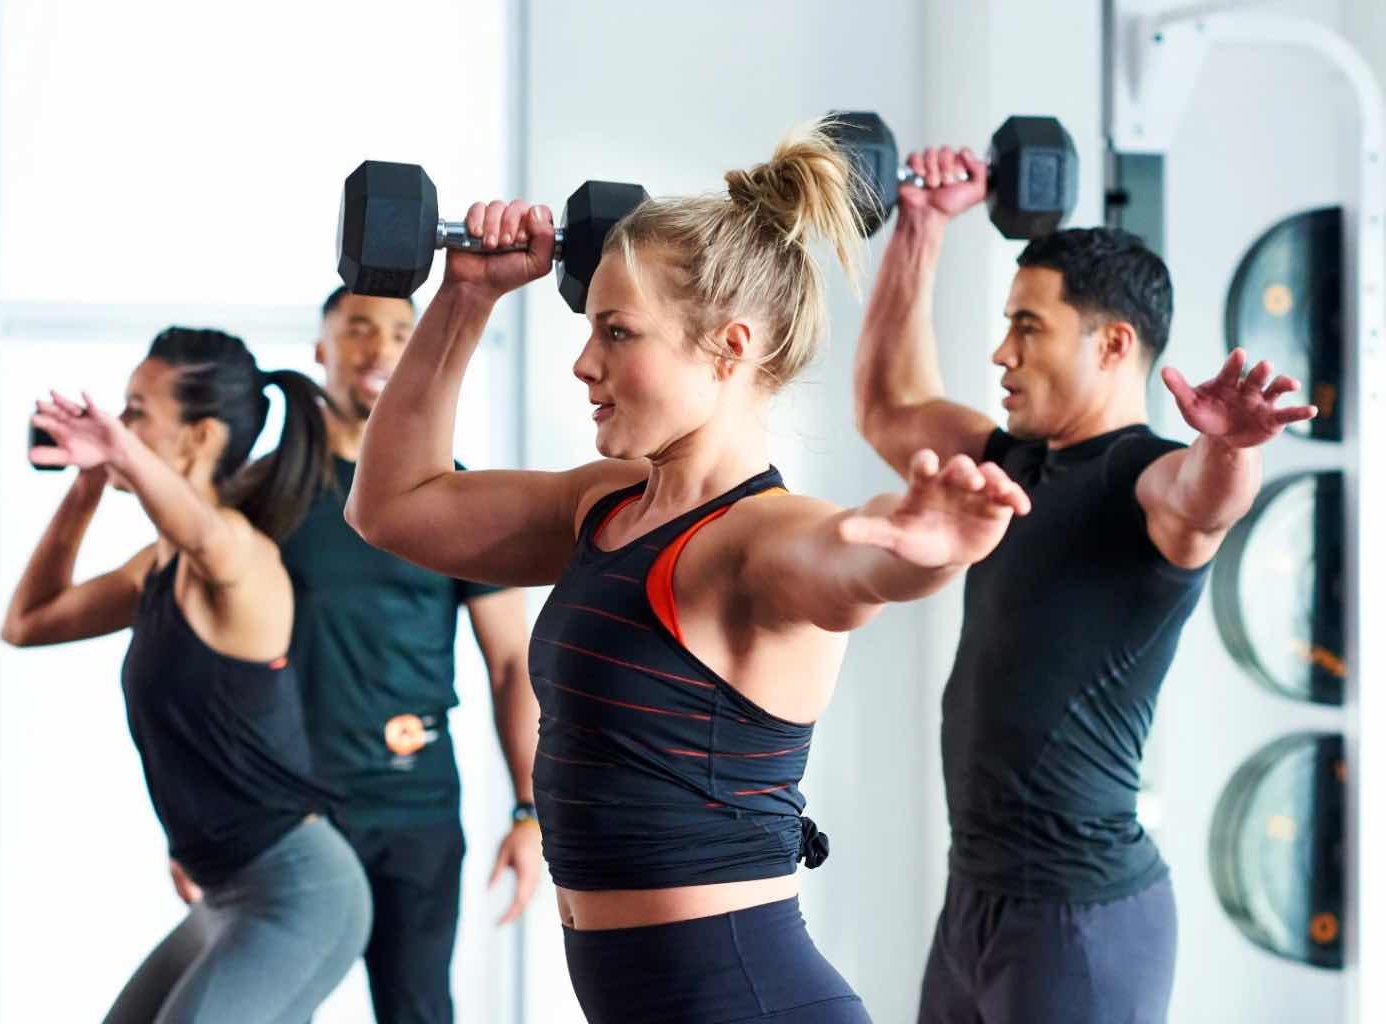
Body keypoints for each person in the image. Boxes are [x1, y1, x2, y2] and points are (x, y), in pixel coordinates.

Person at [345, 121, 1031, 1024]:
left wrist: (918, 551)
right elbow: (392, 506)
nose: (584, 363)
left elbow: (846, 564)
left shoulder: (757, 538)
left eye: (617, 332)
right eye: (590, 328)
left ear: (730, 347)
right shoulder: (605, 506)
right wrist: (466, 297)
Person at [853, 146, 1318, 1024]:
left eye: (1028, 327)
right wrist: (919, 225)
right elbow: (886, 408)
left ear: (1112, 344)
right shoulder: (1011, 462)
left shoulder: (1142, 479)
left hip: (1079, 920)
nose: (1002, 352)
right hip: (975, 898)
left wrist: (1228, 446)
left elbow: (1205, 503)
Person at [168, 288, 541, 1024]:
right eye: (359, 330)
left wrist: (530, 813)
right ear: (321, 348)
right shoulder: (259, 494)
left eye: (401, 333)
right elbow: (197, 661)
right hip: (287, 818)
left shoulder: (453, 496)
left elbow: (511, 664)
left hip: (416, 810)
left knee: (418, 1012)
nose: (380, 349)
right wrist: (196, 820)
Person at [2, 327, 369, 1024]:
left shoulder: (242, 556)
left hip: (301, 895)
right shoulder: (154, 567)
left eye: (136, 412)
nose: (119, 426)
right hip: (226, 896)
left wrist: (120, 454)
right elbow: (27, 623)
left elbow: (204, 534)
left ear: (199, 438)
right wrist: (87, 485)